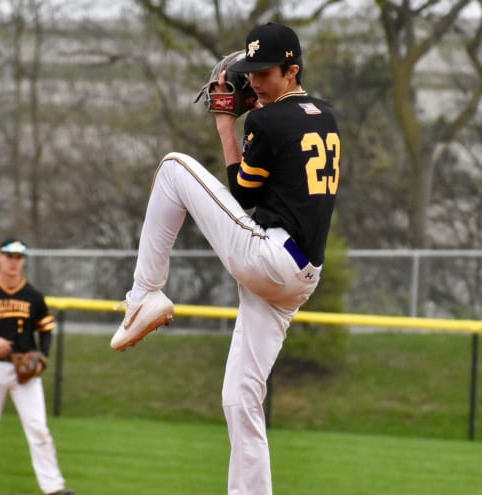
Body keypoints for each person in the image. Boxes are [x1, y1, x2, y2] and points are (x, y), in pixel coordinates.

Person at [110, 22, 341, 495]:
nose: (253, 81)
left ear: (292, 69)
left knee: (174, 168)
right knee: (240, 398)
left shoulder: (266, 121)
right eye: (250, 71)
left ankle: (144, 294)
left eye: (264, 73)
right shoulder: (327, 116)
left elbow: (242, 192)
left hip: (270, 257)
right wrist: (258, 111)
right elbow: (284, 173)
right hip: (301, 276)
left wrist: (225, 124)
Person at [0, 238, 74, 495]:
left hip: (25, 373)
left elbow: (46, 329)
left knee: (38, 428)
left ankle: (53, 487)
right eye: (9, 256)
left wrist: (42, 355)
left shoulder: (32, 296)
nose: (13, 261)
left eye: (19, 257)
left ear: (24, 261)